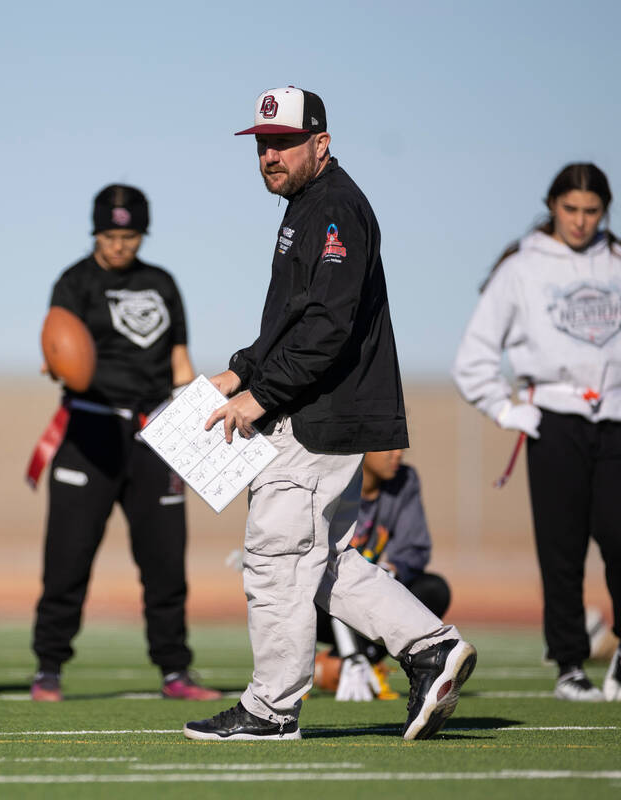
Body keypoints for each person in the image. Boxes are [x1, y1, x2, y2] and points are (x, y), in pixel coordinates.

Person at [184, 87, 477, 742]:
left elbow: (326, 327)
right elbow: (293, 320)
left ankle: (270, 709)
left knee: (275, 554)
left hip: (317, 413)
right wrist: (240, 370)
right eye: (263, 143)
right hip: (314, 407)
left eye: (284, 141)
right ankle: (431, 647)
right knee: (324, 559)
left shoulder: (334, 206)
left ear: (321, 142)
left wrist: (258, 397)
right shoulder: (309, 206)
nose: (270, 154)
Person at [27, 184, 221, 702]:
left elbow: (180, 360)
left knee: (165, 560)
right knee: (68, 557)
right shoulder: (74, 282)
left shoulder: (162, 283)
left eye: (129, 235)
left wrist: (196, 426)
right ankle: (49, 666)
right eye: (110, 235)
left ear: (142, 234)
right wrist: (57, 362)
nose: (119, 245)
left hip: (155, 430)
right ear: (95, 232)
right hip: (89, 428)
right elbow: (59, 347)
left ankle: (175, 670)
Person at [453, 162, 621, 702]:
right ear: (553, 206)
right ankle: (570, 665)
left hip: (615, 419)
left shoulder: (618, 261)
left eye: (592, 211)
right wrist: (506, 410)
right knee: (562, 549)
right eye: (570, 209)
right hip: (554, 420)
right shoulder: (520, 267)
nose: (580, 221)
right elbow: (473, 357)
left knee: (619, 537)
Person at [313, 450, 452, 699]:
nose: (397, 454)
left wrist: (392, 570)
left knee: (433, 590)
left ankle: (351, 662)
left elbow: (415, 549)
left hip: (375, 597)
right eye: (388, 445)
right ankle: (304, 668)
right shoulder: (334, 476)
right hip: (330, 599)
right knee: (296, 593)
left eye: (401, 446)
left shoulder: (404, 480)